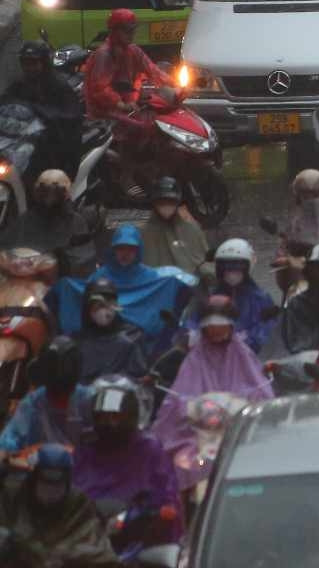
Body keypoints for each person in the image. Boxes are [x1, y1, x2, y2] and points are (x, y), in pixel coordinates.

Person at [150, 297, 273, 451]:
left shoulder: (242, 354)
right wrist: (190, 407)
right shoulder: (195, 357)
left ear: (231, 327)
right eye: (211, 327)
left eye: (221, 326)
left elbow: (261, 391)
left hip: (237, 429)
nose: (216, 331)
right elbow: (179, 396)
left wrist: (245, 404)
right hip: (200, 433)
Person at [71, 375, 179, 542]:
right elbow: (71, 490)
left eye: (115, 417)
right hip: (87, 531)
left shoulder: (149, 449)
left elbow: (166, 498)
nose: (109, 424)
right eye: (103, 417)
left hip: (136, 533)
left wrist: (155, 515)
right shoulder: (86, 446)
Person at [54, 224, 191, 353]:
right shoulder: (101, 274)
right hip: (103, 337)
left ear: (138, 251)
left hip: (139, 343)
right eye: (121, 248)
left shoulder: (149, 276)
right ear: (113, 250)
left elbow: (160, 303)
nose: (125, 253)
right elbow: (86, 298)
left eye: (131, 249)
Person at [1, 445, 118, 568]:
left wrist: (61, 555)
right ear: (33, 480)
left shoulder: (79, 506)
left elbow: (101, 555)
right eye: (45, 484)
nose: (51, 492)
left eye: (58, 486)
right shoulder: (12, 495)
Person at [4, 41, 85, 179]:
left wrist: (42, 113)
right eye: (25, 63)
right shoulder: (20, 83)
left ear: (44, 62)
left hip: (56, 140)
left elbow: (70, 115)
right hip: (25, 137)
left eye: (34, 63)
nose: (29, 67)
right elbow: (6, 100)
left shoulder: (57, 84)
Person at [4, 171, 101, 279]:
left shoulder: (75, 221)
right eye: (45, 192)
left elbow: (84, 258)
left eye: (56, 192)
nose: (49, 197)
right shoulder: (26, 219)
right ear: (37, 192)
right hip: (26, 281)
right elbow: (6, 245)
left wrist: (59, 262)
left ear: (65, 194)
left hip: (60, 281)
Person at [80, 8, 159, 117]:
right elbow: (100, 89)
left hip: (128, 109)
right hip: (105, 116)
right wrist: (121, 105)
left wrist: (176, 86)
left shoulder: (133, 50)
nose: (131, 34)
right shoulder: (104, 54)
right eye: (127, 31)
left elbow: (153, 70)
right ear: (115, 31)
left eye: (133, 30)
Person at [133, 176, 206, 275]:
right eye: (161, 202)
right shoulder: (142, 233)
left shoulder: (192, 229)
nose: (166, 206)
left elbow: (204, 262)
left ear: (177, 202)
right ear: (154, 203)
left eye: (171, 202)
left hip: (186, 286)